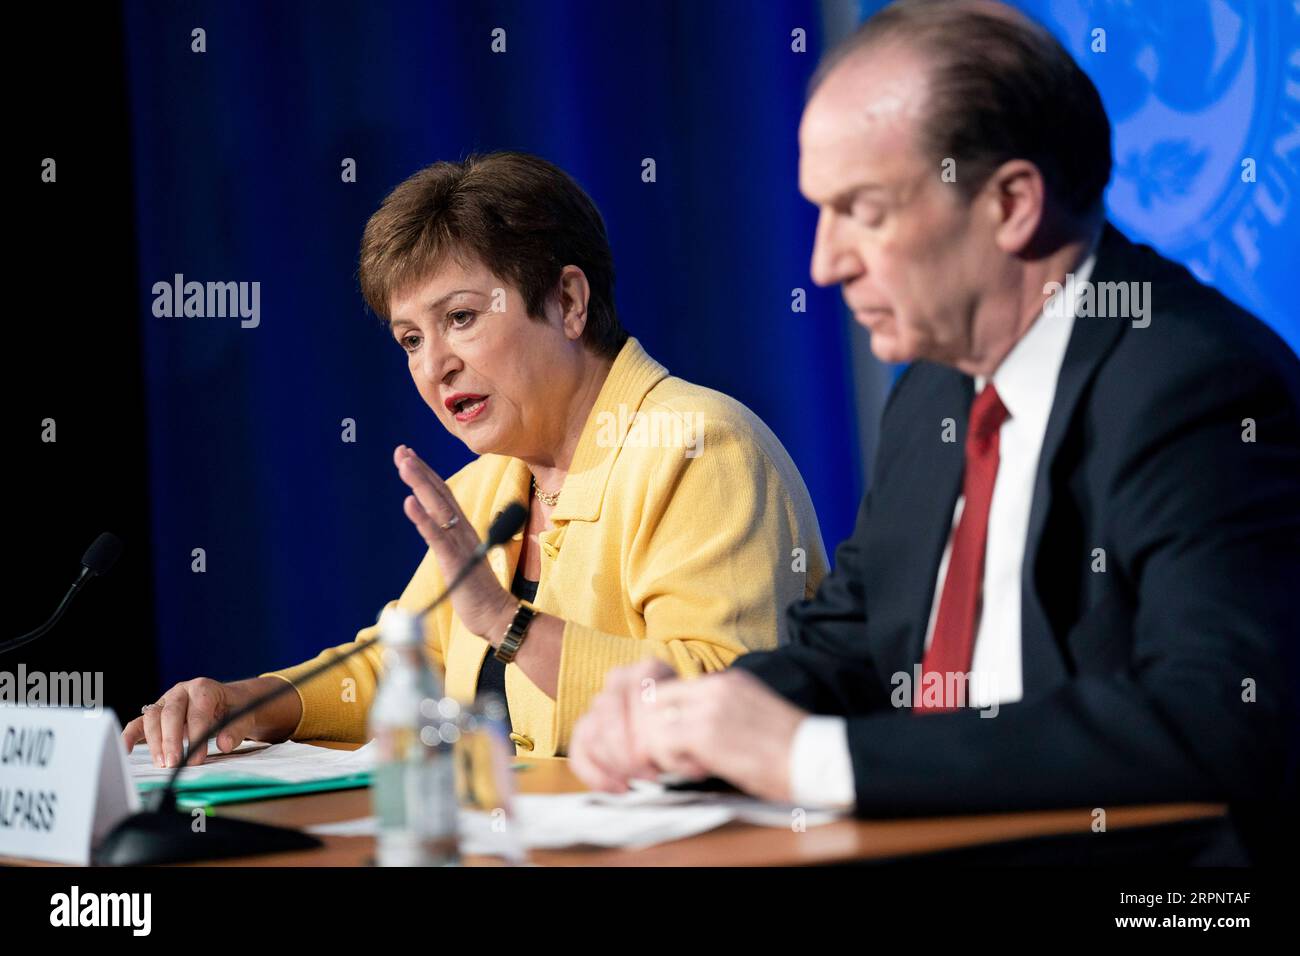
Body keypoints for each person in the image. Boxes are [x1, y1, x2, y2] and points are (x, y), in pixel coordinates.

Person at [570, 0, 1300, 859]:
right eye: (820, 211)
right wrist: (690, 720)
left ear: (1012, 204)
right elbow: (849, 641)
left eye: (864, 210)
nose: (825, 261)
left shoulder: (1193, 383)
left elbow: (1216, 714)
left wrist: (807, 757)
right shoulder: (934, 396)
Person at [122, 151, 827, 766]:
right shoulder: (492, 485)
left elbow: (723, 694)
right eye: (410, 340)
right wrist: (243, 704)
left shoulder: (700, 449)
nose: (435, 366)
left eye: (460, 319)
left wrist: (508, 623)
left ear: (568, 301)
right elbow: (405, 663)